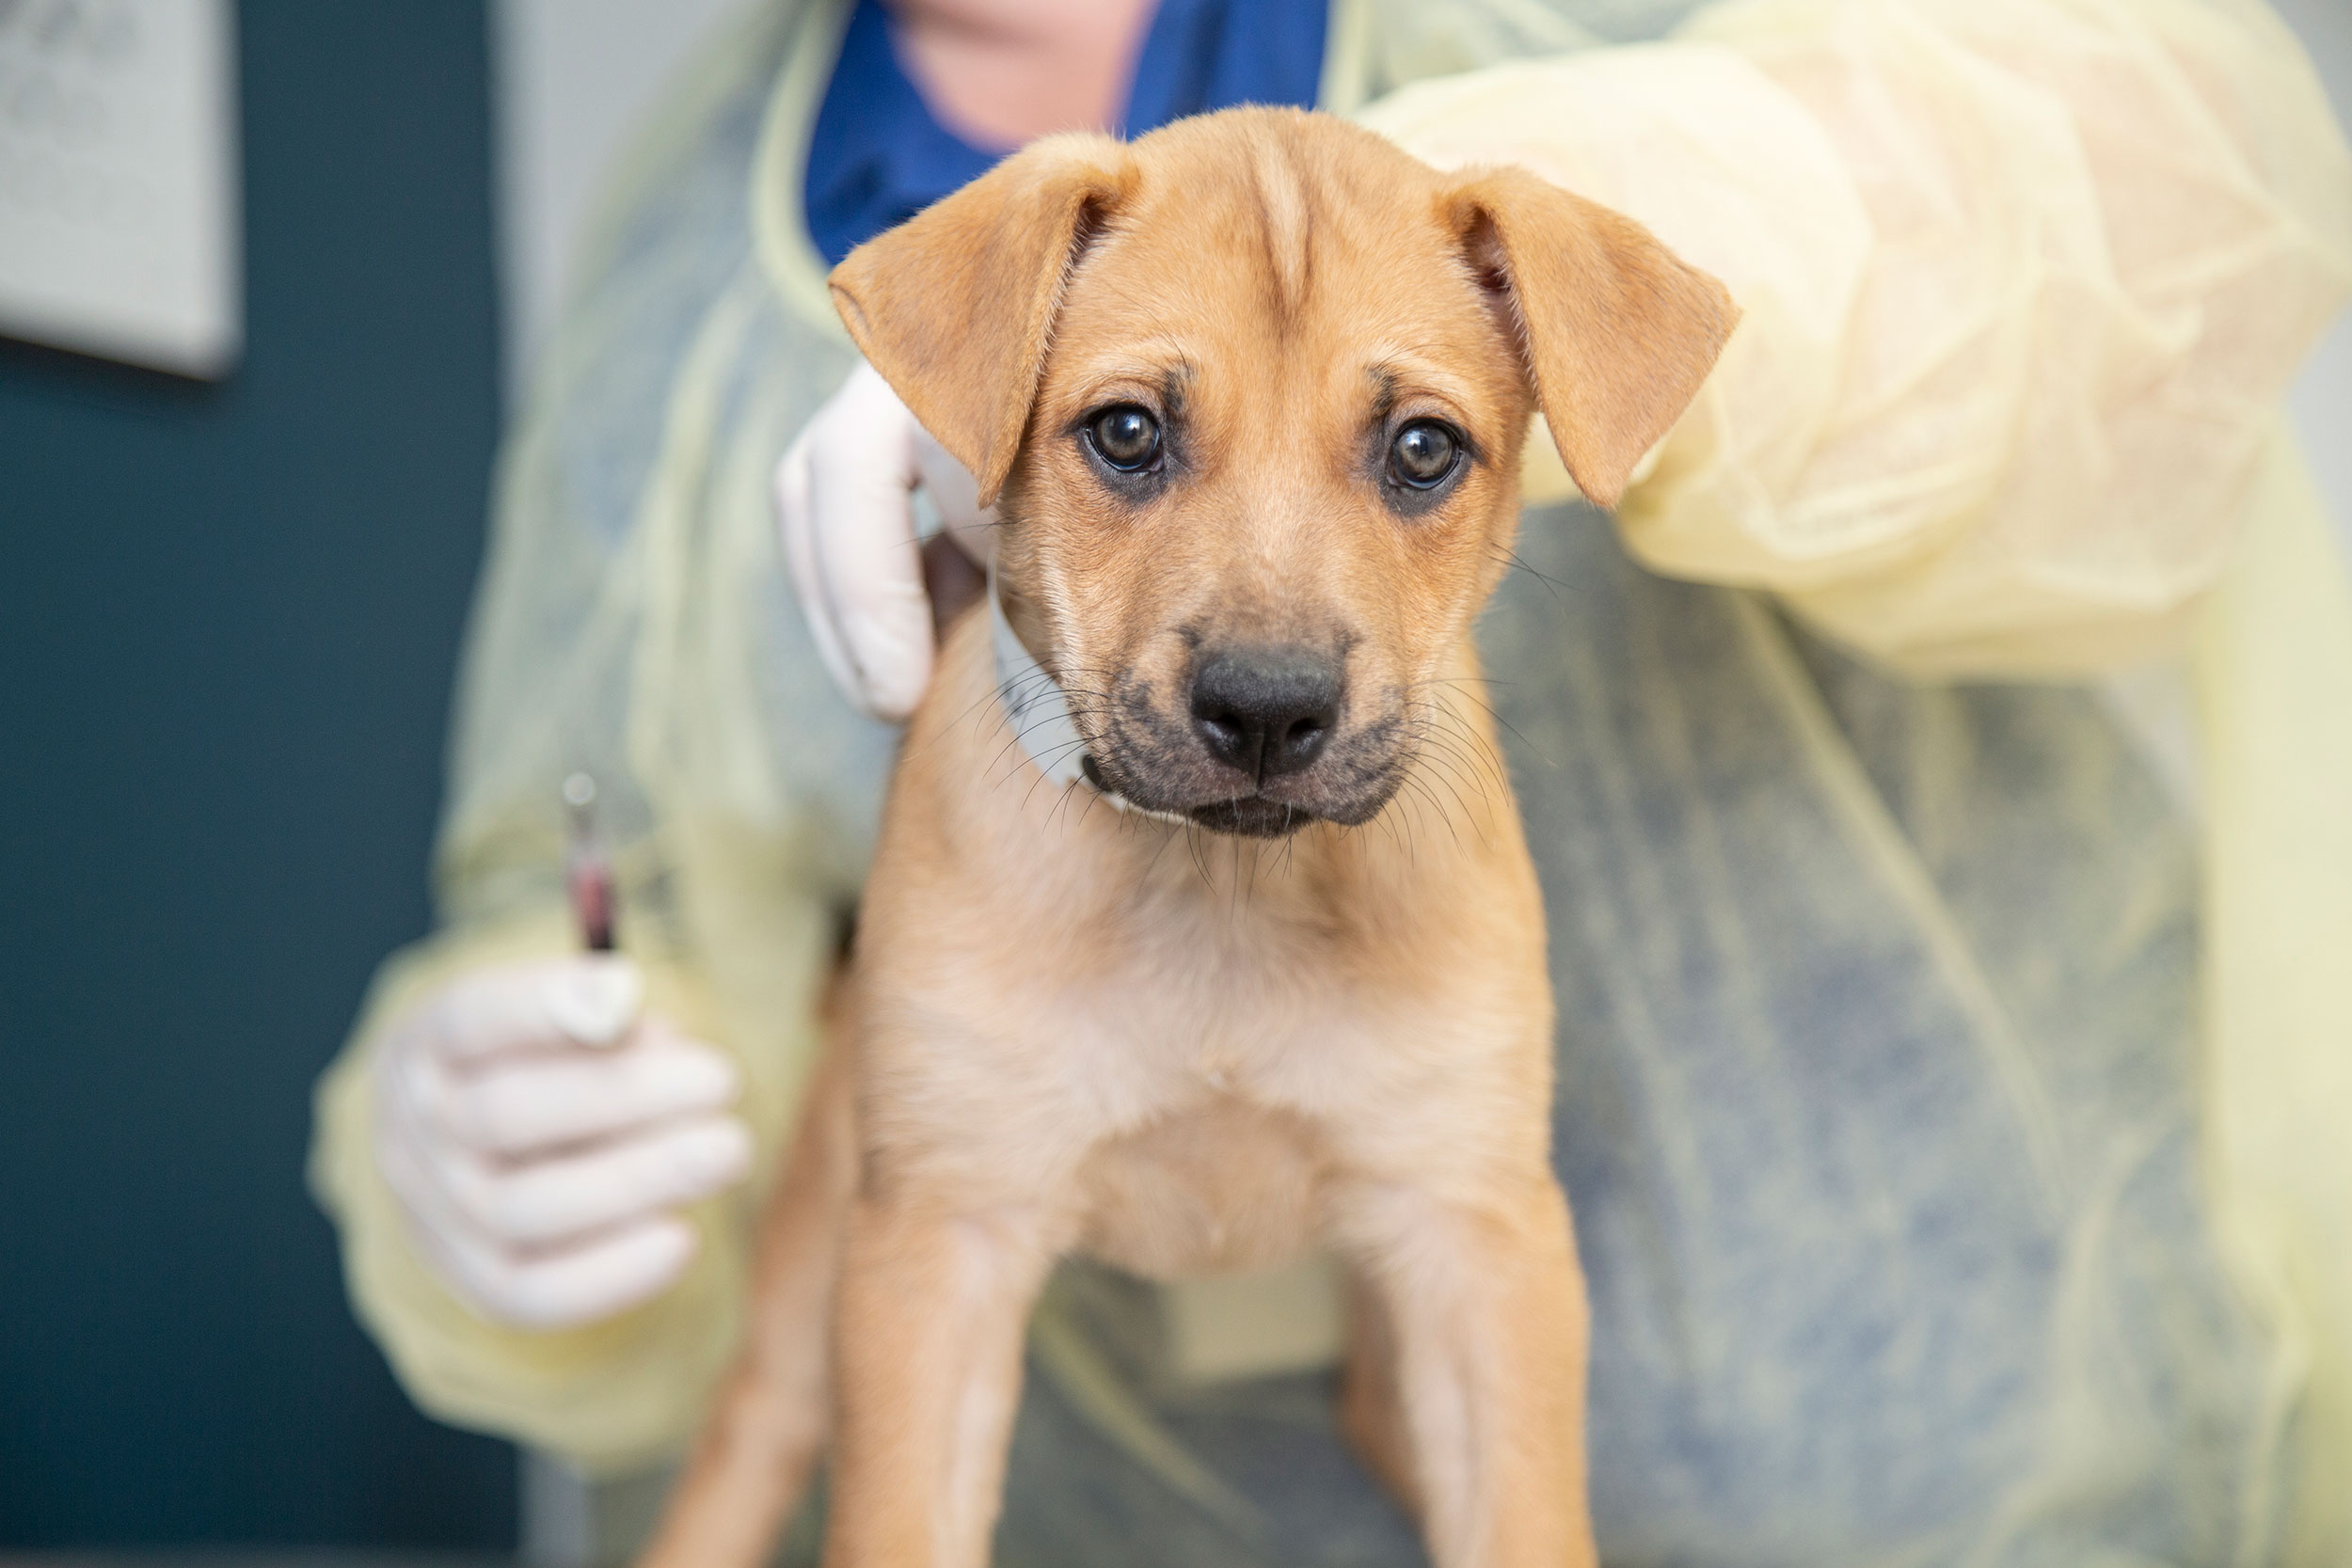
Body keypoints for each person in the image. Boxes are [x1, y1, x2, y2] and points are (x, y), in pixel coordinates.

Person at [310, 0, 2352, 1561]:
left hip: (1926, 1469)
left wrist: (1651, 196)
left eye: (1412, 454)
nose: (1273, 648)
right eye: (1128, 437)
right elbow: (652, 880)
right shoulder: (683, 278)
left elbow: (2150, 174)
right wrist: (533, 1057)